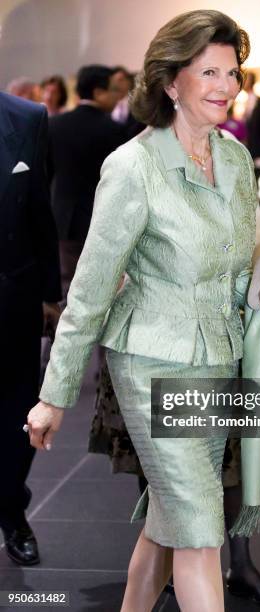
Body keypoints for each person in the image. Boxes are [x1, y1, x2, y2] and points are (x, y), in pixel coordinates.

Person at [26, 10, 260, 612]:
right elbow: (91, 291)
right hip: (150, 365)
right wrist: (54, 394)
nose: (227, 85)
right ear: (171, 82)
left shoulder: (231, 157)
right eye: (209, 71)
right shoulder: (132, 167)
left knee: (169, 517)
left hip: (221, 359)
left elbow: (248, 247)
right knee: (200, 532)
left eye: (233, 72)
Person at [89, 356, 260, 605]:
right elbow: (84, 317)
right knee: (173, 497)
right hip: (145, 355)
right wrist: (53, 399)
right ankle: (224, 562)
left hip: (218, 351)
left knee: (232, 453)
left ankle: (240, 561)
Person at [0, 92, 61, 565]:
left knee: (19, 408)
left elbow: (41, 206)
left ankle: (10, 508)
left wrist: (49, 294)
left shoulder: (27, 117)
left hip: (12, 292)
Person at [47, 64, 126, 302]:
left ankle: (65, 334)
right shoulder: (114, 130)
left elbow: (46, 175)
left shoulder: (54, 125)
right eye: (113, 90)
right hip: (104, 218)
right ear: (98, 92)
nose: (118, 96)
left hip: (64, 220)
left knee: (69, 283)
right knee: (102, 286)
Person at [111, 66, 146, 138]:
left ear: (129, 80)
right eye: (113, 81)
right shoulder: (110, 103)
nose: (117, 84)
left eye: (120, 80)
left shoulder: (140, 100)